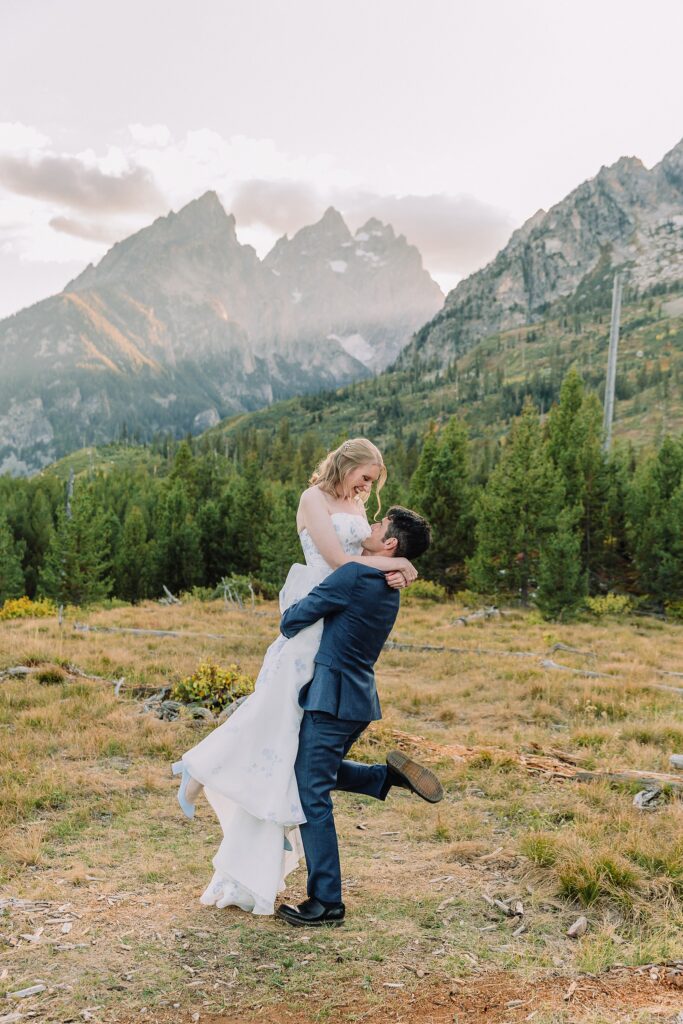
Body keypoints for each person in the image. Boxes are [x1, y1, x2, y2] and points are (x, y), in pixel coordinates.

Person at [172, 439, 419, 916]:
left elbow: (354, 566)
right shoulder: (314, 500)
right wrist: (396, 562)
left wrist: (393, 563)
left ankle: (205, 771)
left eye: (372, 484)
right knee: (278, 729)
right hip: (322, 603)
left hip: (333, 616)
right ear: (345, 464)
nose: (367, 491)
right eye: (364, 478)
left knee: (296, 760)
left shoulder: (363, 524)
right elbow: (339, 562)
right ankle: (203, 769)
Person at [276, 505, 442, 927]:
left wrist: (297, 597)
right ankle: (383, 777)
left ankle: (327, 901)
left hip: (331, 699)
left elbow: (292, 621)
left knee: (311, 789)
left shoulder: (353, 575)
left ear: (388, 543)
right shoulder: (389, 584)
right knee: (317, 774)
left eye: (379, 524)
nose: (370, 525)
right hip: (358, 701)